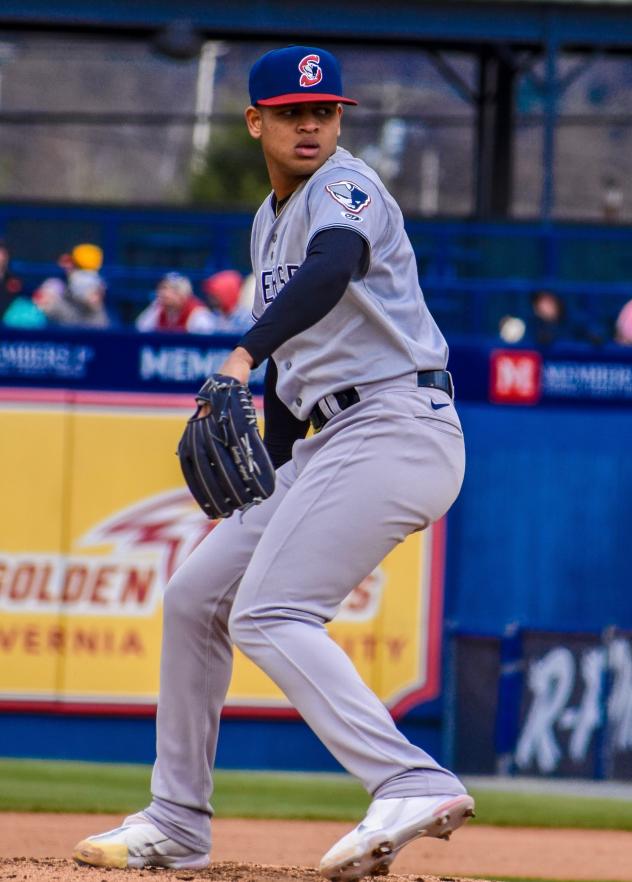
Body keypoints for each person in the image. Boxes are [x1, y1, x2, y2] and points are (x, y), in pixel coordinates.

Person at [73, 46, 474, 876]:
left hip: (397, 424)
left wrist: (239, 355)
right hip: (332, 438)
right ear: (256, 121)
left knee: (269, 612)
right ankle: (176, 823)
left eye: (324, 111)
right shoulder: (267, 220)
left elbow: (330, 271)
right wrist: (264, 484)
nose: (311, 124)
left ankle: (407, 778)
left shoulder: (346, 187)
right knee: (194, 597)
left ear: (339, 121)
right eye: (292, 111)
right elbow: (299, 375)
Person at [135, 271, 217, 334]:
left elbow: (205, 344)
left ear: (184, 294)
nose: (164, 294)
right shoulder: (157, 308)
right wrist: (154, 306)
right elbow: (141, 328)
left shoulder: (198, 313)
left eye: (173, 290)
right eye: (162, 288)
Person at [33, 269, 110, 329]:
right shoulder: (60, 306)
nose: (99, 296)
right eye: (94, 292)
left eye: (98, 292)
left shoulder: (99, 312)